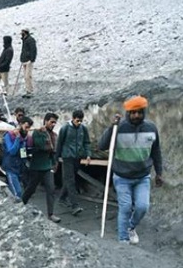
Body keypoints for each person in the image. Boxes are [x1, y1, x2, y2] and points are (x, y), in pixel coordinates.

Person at [98, 95, 163, 244]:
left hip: (143, 177)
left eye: (139, 112)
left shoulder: (151, 128)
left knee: (142, 206)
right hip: (122, 177)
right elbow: (102, 146)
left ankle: (130, 227)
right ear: (128, 113)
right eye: (133, 112)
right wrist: (111, 127)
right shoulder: (119, 128)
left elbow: (156, 151)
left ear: (144, 112)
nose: (136, 115)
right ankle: (123, 241)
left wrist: (159, 173)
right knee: (125, 207)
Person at [22, 113, 61, 223]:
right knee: (31, 188)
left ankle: (51, 214)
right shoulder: (38, 132)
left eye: (54, 122)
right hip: (37, 165)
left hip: (47, 166)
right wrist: (48, 142)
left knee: (51, 189)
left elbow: (54, 151)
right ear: (46, 121)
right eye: (51, 122)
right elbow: (41, 146)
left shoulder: (53, 135)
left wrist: (54, 163)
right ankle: (22, 203)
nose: (53, 124)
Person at [55, 109, 91, 216]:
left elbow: (86, 142)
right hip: (67, 157)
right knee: (71, 181)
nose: (79, 123)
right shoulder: (65, 128)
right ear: (73, 118)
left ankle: (61, 198)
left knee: (69, 179)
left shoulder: (83, 129)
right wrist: (56, 158)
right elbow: (59, 143)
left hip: (77, 157)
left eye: (81, 121)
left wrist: (88, 154)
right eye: (77, 121)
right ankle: (75, 206)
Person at [2, 116, 33, 202]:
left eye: (29, 128)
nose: (27, 130)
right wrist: (17, 138)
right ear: (20, 125)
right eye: (26, 127)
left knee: (14, 192)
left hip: (19, 167)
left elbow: (23, 152)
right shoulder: (9, 135)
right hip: (10, 167)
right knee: (17, 193)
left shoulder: (25, 138)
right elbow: (12, 151)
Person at [20, 29, 37, 98]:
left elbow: (33, 50)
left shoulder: (30, 40)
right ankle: (28, 90)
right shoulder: (24, 40)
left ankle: (30, 90)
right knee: (25, 77)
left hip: (29, 60)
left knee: (28, 76)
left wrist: (32, 59)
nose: (21, 34)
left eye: (22, 33)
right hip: (24, 60)